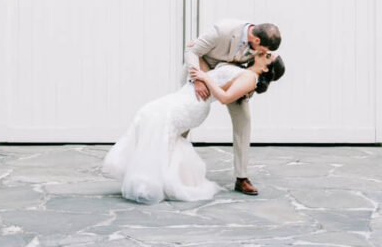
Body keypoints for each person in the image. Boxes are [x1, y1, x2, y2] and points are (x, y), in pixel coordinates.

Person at [102, 53, 283, 204]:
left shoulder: (251, 78)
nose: (262, 52)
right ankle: (154, 176)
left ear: (266, 68)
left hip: (194, 103)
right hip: (185, 95)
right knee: (148, 114)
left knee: (155, 118)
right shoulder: (242, 68)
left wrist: (205, 77)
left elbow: (225, 97)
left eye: (267, 56)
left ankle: (156, 181)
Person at [184, 19, 281, 195]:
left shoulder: (259, 47)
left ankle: (241, 178)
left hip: (230, 77)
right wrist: (198, 79)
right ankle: (171, 162)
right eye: (264, 50)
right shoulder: (223, 30)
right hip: (201, 68)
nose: (264, 53)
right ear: (257, 41)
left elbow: (257, 69)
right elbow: (192, 50)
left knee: (244, 120)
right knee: (186, 117)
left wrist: (248, 88)